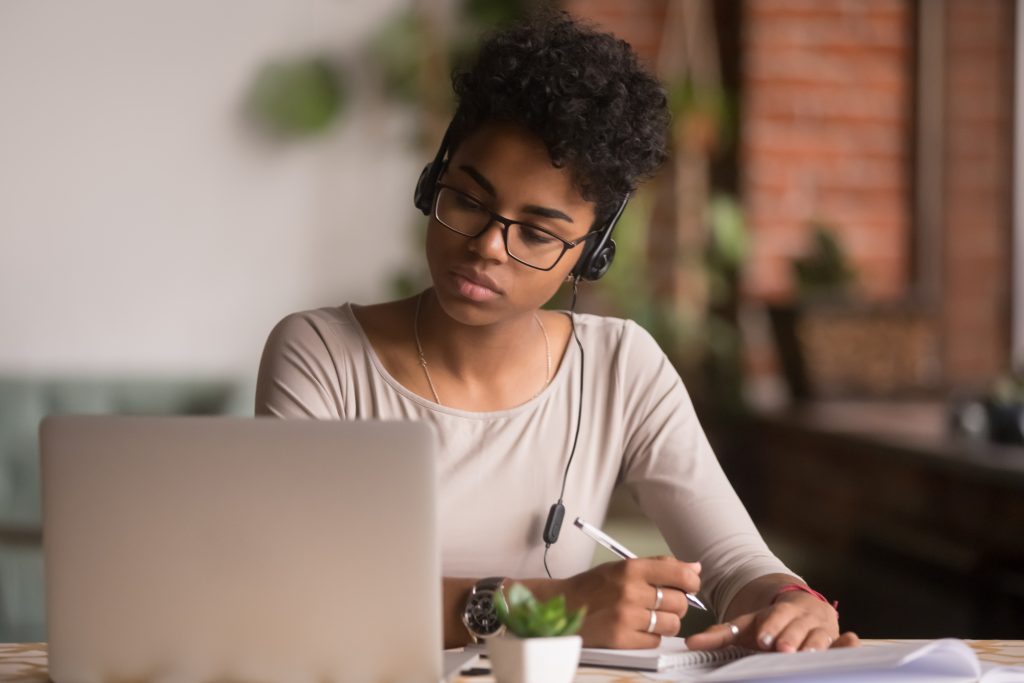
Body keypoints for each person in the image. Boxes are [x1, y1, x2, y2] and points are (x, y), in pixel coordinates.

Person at [256, 11, 859, 653]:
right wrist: (549, 605)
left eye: (537, 233)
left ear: (590, 255)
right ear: (433, 182)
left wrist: (793, 605)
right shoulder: (321, 355)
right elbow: (301, 590)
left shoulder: (621, 366)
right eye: (466, 200)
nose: (488, 246)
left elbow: (735, 562)